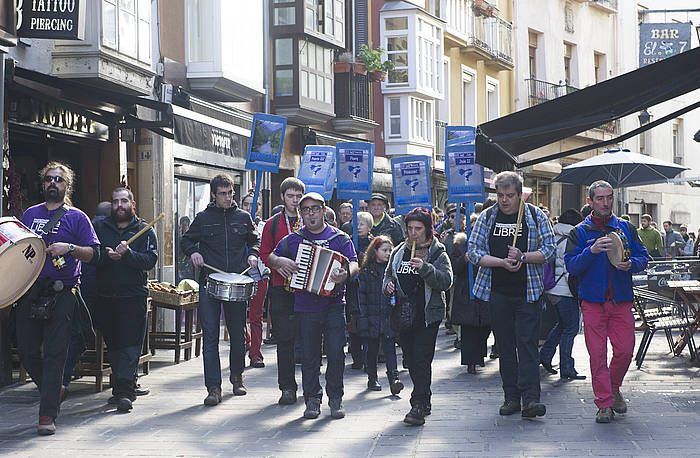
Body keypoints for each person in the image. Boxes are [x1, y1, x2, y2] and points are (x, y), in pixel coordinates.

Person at [18, 162, 100, 435]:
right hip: (31, 289)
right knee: (27, 351)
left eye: (59, 180)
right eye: (49, 179)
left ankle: (47, 415)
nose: (53, 183)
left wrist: (71, 248)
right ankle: (55, 391)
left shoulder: (77, 217)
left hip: (63, 290)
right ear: (43, 184)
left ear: (67, 186)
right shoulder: (30, 214)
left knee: (55, 354)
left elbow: (94, 254)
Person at [467, 171, 556, 419]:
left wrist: (524, 257)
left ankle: (531, 399)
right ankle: (511, 397)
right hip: (498, 292)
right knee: (505, 346)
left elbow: (549, 250)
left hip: (528, 291)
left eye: (509, 196)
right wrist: (501, 262)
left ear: (520, 195)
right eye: (500, 195)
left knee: (527, 345)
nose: (504, 200)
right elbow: (473, 252)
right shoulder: (488, 217)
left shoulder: (535, 216)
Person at [268, 192, 359, 420]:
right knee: (309, 356)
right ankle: (312, 400)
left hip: (334, 304)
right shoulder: (294, 239)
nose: (311, 214)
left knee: (337, 353)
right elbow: (270, 256)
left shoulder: (339, 239)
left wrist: (345, 273)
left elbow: (355, 263)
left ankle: (336, 398)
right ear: (301, 213)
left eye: (315, 209)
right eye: (306, 210)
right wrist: (279, 261)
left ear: (324, 211)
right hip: (305, 306)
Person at [565, 180, 649, 424]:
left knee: (624, 351)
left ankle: (612, 389)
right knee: (597, 355)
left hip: (621, 300)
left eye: (608, 197)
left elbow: (643, 256)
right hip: (592, 302)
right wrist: (590, 252)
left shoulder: (625, 227)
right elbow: (571, 265)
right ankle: (604, 403)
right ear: (590, 201)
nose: (605, 202)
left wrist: (632, 264)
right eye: (600, 198)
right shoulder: (579, 231)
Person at [180, 174, 260, 406]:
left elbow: (254, 240)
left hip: (236, 281)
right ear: (214, 195)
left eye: (231, 193)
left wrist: (253, 255)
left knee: (237, 334)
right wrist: (192, 252)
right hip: (210, 283)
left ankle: (237, 377)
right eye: (223, 194)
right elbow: (186, 241)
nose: (228, 197)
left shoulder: (243, 217)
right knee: (211, 336)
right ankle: (213, 387)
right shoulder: (203, 218)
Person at [383, 207, 453, 426]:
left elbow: (446, 280)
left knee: (422, 359)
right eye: (410, 228)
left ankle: (419, 404)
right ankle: (425, 397)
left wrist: (426, 269)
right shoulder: (399, 252)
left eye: (418, 229)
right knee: (411, 360)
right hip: (403, 314)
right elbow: (387, 276)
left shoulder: (437, 252)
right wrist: (388, 286)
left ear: (427, 229)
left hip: (426, 315)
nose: (413, 233)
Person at [92, 187, 157, 412]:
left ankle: (126, 392)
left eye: (123, 201)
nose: (119, 206)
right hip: (105, 297)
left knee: (130, 347)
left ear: (133, 204)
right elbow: (92, 255)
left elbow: (150, 261)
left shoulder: (145, 230)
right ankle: (119, 388)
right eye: (115, 202)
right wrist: (106, 256)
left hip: (133, 297)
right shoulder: (99, 227)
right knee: (115, 346)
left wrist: (127, 255)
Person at [259, 177, 305, 405]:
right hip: (281, 287)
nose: (295, 201)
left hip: (307, 289)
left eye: (298, 197)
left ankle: (310, 385)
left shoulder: (310, 220)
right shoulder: (273, 223)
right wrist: (279, 263)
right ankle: (287, 387)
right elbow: (264, 253)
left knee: (309, 339)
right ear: (282, 197)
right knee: (285, 340)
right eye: (291, 196)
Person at [538, 209, 585, 382]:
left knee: (562, 326)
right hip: (565, 290)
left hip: (551, 289)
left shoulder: (553, 235)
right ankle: (567, 367)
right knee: (570, 328)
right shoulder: (571, 239)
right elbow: (570, 269)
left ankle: (544, 355)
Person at [356, 235, 403, 393]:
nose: (388, 253)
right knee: (372, 350)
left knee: (390, 348)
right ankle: (372, 378)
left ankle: (394, 379)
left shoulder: (393, 270)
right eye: (384, 250)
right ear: (375, 251)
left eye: (390, 250)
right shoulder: (366, 271)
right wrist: (363, 320)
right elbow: (361, 297)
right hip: (371, 316)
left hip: (388, 315)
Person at [450, 229, 489, 375]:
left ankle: (479, 356)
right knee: (469, 328)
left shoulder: (485, 244)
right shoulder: (459, 246)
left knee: (483, 326)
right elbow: (454, 267)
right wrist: (464, 259)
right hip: (466, 291)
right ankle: (470, 361)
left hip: (483, 289)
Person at [346, 211, 374, 370]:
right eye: (356, 224)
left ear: (369, 227)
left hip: (368, 287)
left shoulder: (373, 243)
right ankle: (357, 357)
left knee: (367, 324)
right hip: (353, 288)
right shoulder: (349, 241)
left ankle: (369, 358)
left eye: (362, 224)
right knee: (354, 323)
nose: (359, 227)